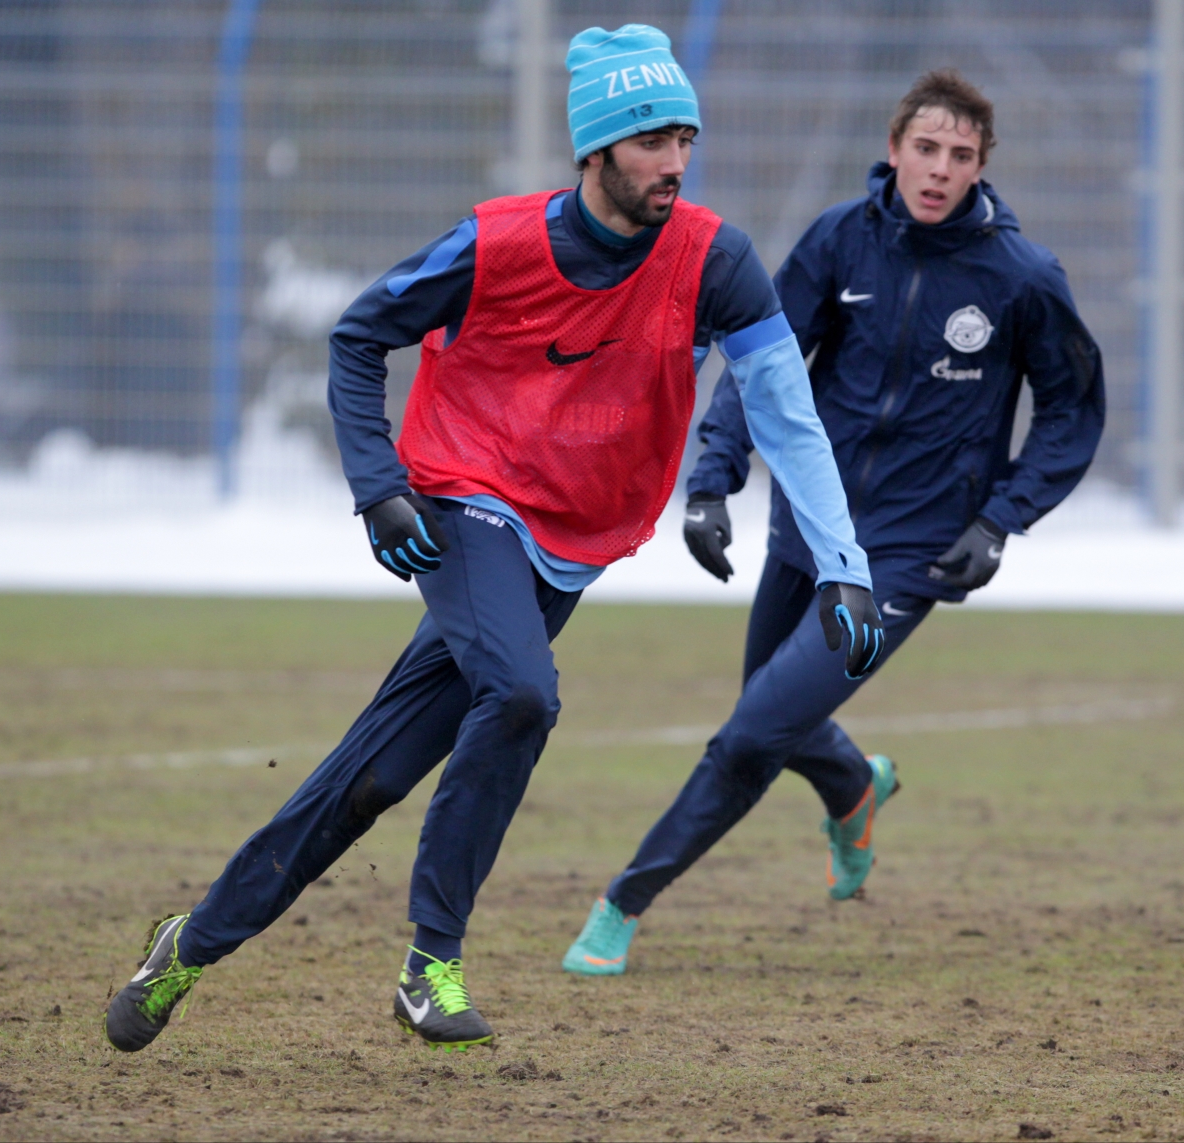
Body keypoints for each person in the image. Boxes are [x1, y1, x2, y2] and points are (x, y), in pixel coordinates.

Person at [104, 24, 884, 1055]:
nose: (674, 161)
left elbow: (787, 411)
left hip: (570, 539)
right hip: (463, 503)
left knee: (370, 779)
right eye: (651, 139)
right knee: (522, 691)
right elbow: (356, 336)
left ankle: (188, 946)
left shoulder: (716, 260)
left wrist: (844, 564)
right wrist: (378, 486)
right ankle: (432, 960)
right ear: (596, 149)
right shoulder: (497, 244)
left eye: (684, 137)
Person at [564, 69, 1105, 976]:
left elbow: (1071, 413)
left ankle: (622, 903)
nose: (938, 170)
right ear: (893, 150)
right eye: (924, 149)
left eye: (960, 156)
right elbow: (758, 359)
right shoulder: (835, 243)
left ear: (981, 168)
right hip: (805, 530)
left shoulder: (1021, 279)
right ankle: (854, 786)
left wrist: (1002, 518)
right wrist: (714, 477)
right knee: (772, 717)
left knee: (751, 734)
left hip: (906, 559)